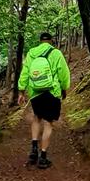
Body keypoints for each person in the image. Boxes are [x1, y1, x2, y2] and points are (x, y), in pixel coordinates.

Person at [18, 32, 70, 169]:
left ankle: (33, 149)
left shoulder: (31, 53)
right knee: (48, 123)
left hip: (35, 92)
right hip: (52, 92)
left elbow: (25, 72)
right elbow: (63, 73)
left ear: (40, 41)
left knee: (36, 118)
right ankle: (43, 157)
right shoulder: (56, 53)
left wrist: (21, 91)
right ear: (51, 41)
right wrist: (64, 88)